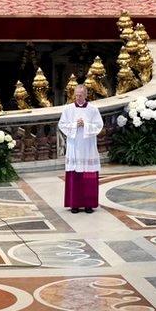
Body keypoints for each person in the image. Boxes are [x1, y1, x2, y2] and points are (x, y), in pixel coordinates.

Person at [57, 85, 104, 214]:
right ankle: (74, 204)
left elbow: (99, 125)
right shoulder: (68, 109)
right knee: (74, 175)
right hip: (74, 146)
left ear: (86, 95)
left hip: (88, 147)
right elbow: (62, 124)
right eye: (76, 95)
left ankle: (89, 204)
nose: (78, 98)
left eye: (80, 95)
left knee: (89, 175)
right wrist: (74, 125)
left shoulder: (93, 109)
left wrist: (86, 125)